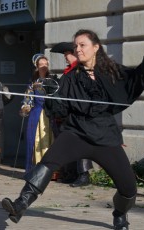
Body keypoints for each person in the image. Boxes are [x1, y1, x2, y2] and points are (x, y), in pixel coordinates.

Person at [1, 29, 144, 230]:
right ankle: (20, 205)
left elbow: (134, 81)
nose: (78, 49)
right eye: (76, 46)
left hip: (105, 135)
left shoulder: (111, 71)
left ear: (96, 47)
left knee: (128, 188)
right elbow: (60, 109)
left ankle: (120, 214)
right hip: (77, 132)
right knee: (49, 161)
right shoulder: (70, 78)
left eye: (82, 45)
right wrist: (50, 94)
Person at [50, 42, 94, 187]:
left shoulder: (80, 69)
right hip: (67, 114)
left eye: (66, 55)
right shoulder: (69, 70)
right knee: (68, 144)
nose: (65, 58)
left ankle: (84, 174)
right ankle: (70, 173)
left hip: (80, 113)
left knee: (80, 144)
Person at [20, 55, 55, 173]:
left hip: (51, 114)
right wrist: (25, 107)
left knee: (51, 142)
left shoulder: (53, 81)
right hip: (37, 114)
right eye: (41, 65)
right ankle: (35, 170)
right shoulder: (33, 83)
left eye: (46, 64)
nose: (44, 67)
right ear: (37, 67)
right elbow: (28, 99)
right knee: (34, 141)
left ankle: (50, 171)